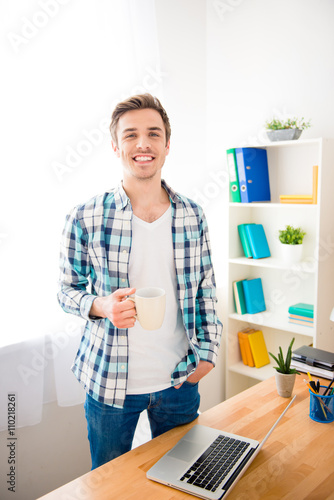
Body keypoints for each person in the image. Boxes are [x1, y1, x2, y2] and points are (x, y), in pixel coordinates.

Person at [58, 93, 223, 470]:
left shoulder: (192, 215)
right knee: (110, 487)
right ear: (116, 146)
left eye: (153, 133)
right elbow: (66, 291)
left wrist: (209, 356)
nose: (143, 143)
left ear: (167, 145)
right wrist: (102, 306)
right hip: (110, 385)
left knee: (184, 481)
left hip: (180, 380)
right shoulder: (84, 216)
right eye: (131, 135)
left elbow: (206, 289)